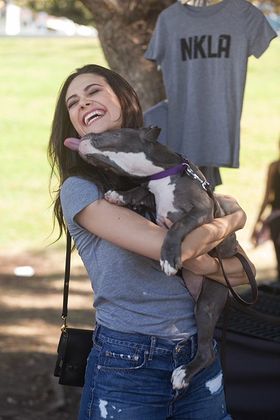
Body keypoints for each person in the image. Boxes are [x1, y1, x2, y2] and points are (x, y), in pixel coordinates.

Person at [48, 64, 255, 420]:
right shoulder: (81, 190)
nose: (83, 103)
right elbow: (178, 250)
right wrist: (234, 219)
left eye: (94, 91)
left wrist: (208, 256)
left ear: (124, 99)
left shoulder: (169, 172)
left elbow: (242, 275)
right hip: (129, 362)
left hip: (199, 357)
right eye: (73, 103)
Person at [251, 140, 280, 281]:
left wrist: (257, 223)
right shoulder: (274, 167)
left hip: (275, 219)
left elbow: (267, 198)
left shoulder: (274, 167)